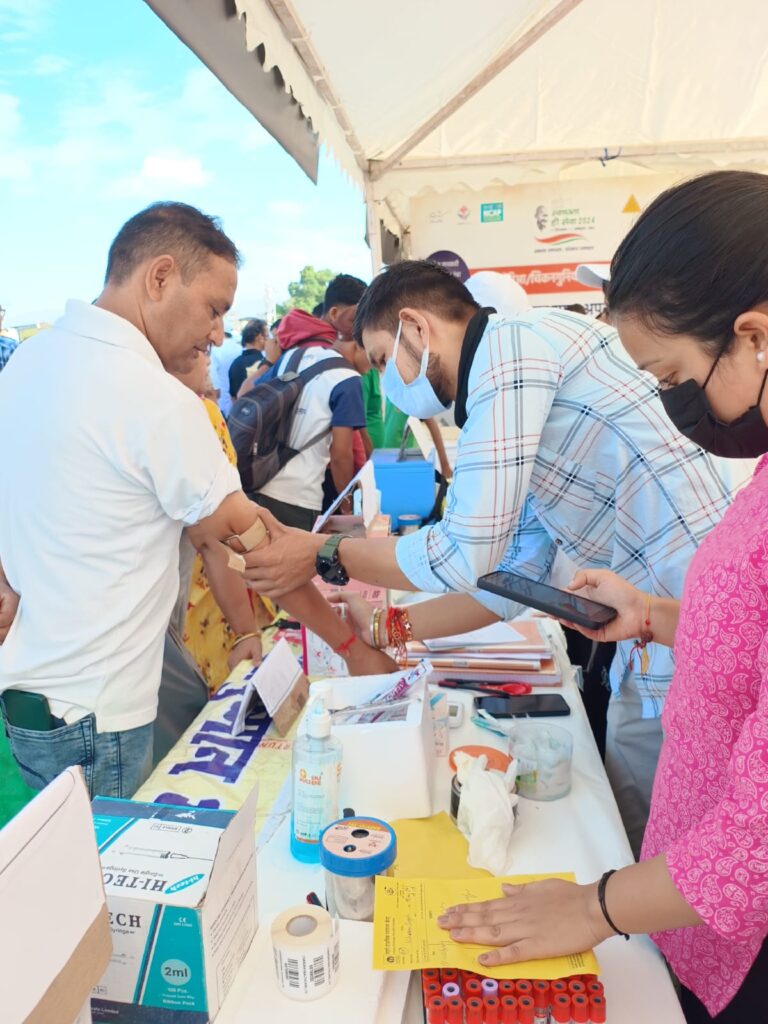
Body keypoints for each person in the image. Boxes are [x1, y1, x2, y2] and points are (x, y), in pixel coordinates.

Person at [241, 259, 737, 855]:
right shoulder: (511, 392)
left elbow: (464, 552)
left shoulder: (510, 352)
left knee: (670, 843)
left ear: (415, 328)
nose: (386, 381)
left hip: (684, 625)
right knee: (642, 825)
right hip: (658, 627)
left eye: (379, 359)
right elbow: (512, 580)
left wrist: (324, 553)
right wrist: (382, 625)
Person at [436, 170, 768, 1022]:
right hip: (697, 913)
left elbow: (756, 845)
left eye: (671, 375)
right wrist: (654, 617)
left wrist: (590, 907)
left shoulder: (511, 350)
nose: (668, 403)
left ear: (754, 337)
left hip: (745, 946)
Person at [0, 201, 393, 799]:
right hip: (102, 712)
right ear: (159, 278)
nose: (218, 333)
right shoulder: (150, 396)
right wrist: (349, 649)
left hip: (33, 700)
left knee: (80, 873)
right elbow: (246, 545)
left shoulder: (29, 363)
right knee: (116, 874)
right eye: (214, 309)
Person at [174, 352, 273, 692]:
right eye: (200, 351)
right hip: (212, 579)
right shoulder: (199, 414)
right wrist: (246, 628)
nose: (207, 362)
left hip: (188, 584)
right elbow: (216, 531)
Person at [250, 298, 366, 530]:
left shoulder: (292, 357)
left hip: (258, 487)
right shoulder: (348, 378)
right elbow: (341, 454)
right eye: (375, 357)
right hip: (299, 499)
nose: (373, 367)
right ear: (358, 345)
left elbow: (251, 395)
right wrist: (346, 503)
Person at [228, 318, 268, 400]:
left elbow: (233, 396)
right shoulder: (264, 363)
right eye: (267, 336)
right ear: (259, 337)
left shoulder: (236, 363)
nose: (268, 340)